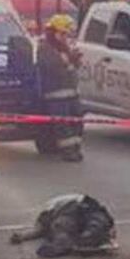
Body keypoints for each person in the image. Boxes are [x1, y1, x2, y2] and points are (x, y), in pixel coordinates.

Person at [37, 14, 84, 162]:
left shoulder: (64, 47)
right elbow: (51, 66)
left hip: (72, 94)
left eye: (67, 34)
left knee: (77, 122)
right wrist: (70, 59)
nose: (65, 37)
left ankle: (76, 148)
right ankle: (67, 151)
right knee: (63, 127)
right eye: (62, 33)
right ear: (54, 32)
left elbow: (71, 67)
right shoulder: (45, 48)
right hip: (56, 95)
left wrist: (75, 60)